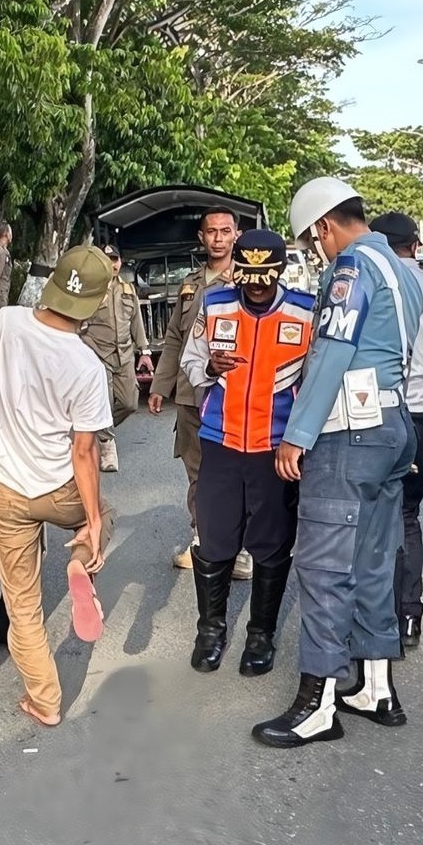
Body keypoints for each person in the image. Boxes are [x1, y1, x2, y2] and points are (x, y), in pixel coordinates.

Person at [251, 177, 421, 748]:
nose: (314, 250)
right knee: (374, 561)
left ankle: (317, 703)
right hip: (394, 426)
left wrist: (296, 435)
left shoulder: (349, 269)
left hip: (348, 432)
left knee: (324, 567)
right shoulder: (402, 268)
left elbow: (332, 352)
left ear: (325, 225)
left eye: (311, 240)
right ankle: (376, 685)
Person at [0, 244, 115, 728]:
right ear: (94, 304)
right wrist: (93, 524)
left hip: (3, 489)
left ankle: (45, 701)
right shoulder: (87, 367)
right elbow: (83, 452)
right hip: (57, 490)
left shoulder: (7, 322)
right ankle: (79, 560)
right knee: (104, 516)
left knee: (23, 606)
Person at [181, 229, 314, 676]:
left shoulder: (305, 312)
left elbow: (316, 383)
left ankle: (261, 634)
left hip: (275, 449)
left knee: (272, 546)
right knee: (215, 539)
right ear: (237, 270)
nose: (257, 285)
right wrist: (207, 367)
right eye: (249, 275)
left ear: (280, 271)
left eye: (266, 276)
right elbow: (190, 359)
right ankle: (211, 631)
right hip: (220, 441)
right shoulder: (215, 304)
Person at [369, 211, 423, 650]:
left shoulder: (367, 286)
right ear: (416, 246)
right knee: (407, 514)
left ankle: (373, 620)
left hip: (374, 416)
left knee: (369, 516)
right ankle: (408, 619)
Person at [150, 207, 251, 578]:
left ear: (236, 235)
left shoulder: (247, 280)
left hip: (235, 395)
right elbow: (175, 337)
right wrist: (161, 386)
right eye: (212, 232)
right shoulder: (190, 284)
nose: (219, 238)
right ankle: (204, 539)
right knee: (198, 473)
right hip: (193, 395)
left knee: (235, 474)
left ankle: (240, 550)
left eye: (226, 231)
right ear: (201, 237)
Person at [78, 242, 153, 472]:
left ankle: (99, 429)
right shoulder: (88, 291)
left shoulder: (128, 290)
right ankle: (107, 444)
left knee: (130, 403)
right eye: (106, 258)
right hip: (97, 354)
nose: (111, 264)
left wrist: (145, 352)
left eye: (115, 259)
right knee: (105, 401)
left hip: (124, 355)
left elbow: (136, 324)